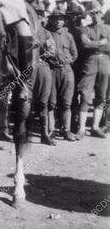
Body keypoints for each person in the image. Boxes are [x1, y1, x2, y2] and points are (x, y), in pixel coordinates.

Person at [75, 1, 110, 139]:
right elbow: (84, 44)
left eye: (97, 13)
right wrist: (100, 43)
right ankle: (82, 129)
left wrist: (92, 43)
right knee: (85, 95)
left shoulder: (108, 28)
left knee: (101, 96)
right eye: (92, 13)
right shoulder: (84, 29)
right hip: (90, 62)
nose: (95, 16)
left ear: (101, 14)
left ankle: (95, 126)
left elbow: (108, 47)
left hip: (105, 62)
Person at [47, 9, 78, 141]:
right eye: (55, 19)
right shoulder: (47, 35)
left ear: (64, 21)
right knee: (51, 103)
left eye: (60, 19)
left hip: (67, 70)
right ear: (51, 20)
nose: (58, 21)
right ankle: (50, 131)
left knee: (66, 103)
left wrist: (66, 61)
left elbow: (74, 54)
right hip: (52, 70)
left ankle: (66, 130)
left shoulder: (69, 36)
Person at [31, 0, 56, 145]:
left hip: (42, 67)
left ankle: (44, 134)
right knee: (24, 100)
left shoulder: (46, 33)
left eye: (41, 14)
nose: (39, 17)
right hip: (26, 67)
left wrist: (41, 53)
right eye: (36, 14)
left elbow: (52, 52)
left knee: (43, 101)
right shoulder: (25, 30)